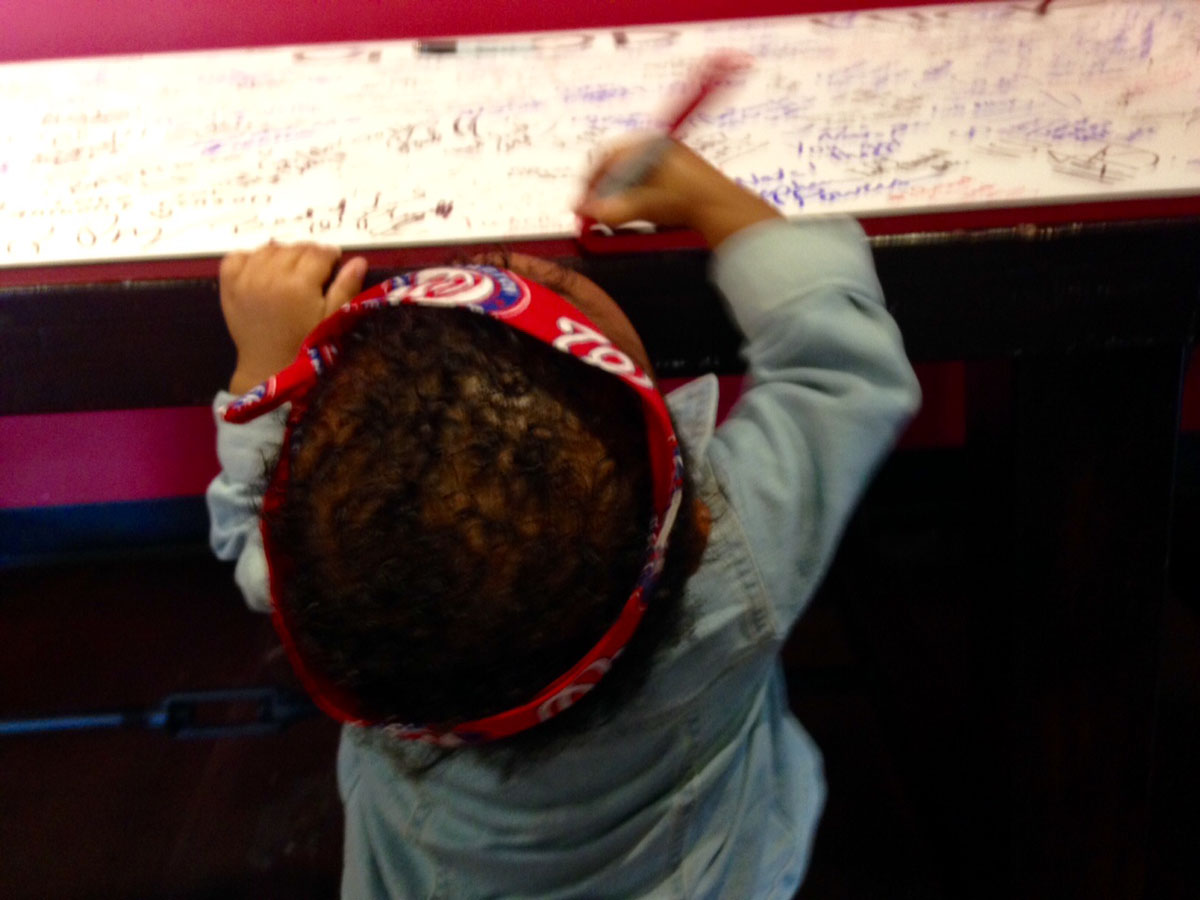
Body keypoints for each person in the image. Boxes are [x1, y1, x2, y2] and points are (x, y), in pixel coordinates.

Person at [206, 138, 921, 898]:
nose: (515, 271)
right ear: (694, 525)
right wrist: (717, 201)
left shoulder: (340, 598)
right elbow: (841, 370)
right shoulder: (736, 553)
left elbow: (256, 539)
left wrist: (265, 372)